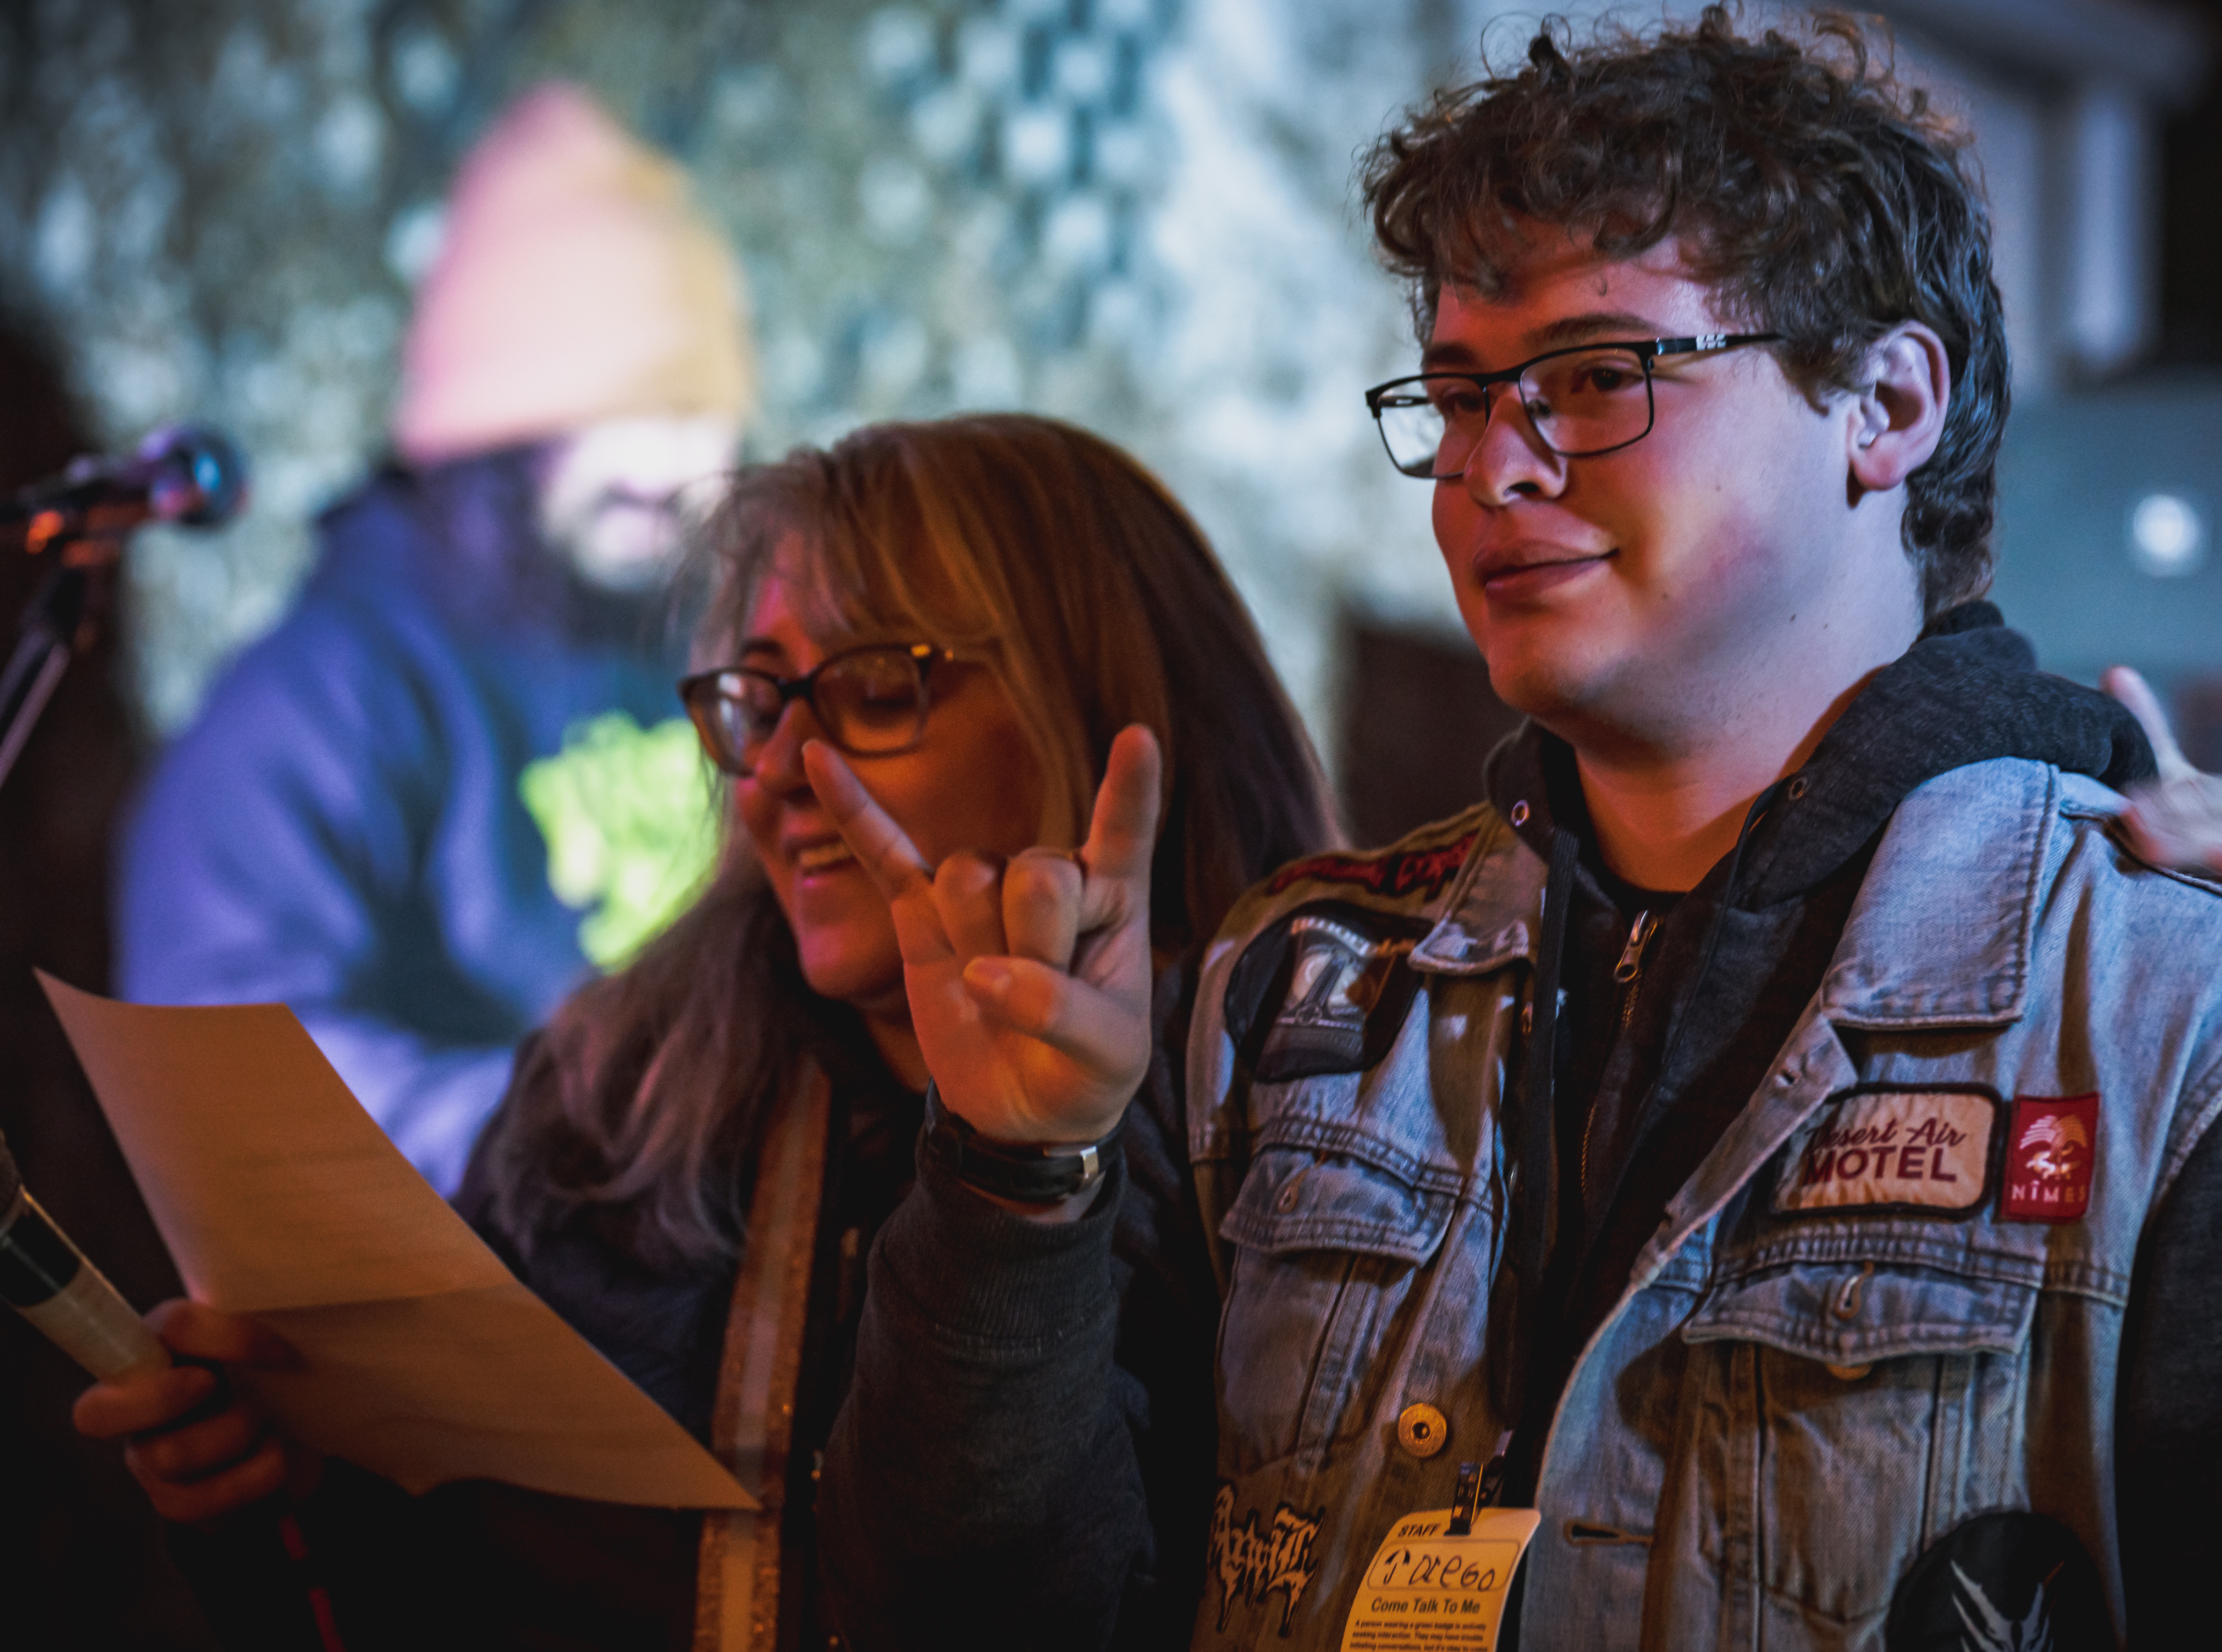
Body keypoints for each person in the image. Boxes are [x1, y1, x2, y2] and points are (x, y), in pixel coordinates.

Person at [813, 11, 2222, 1651]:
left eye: (1599, 375)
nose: (1494, 467)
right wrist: (1014, 1183)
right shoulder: (1290, 991)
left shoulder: (2216, 1037)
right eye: (1462, 397)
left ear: (1887, 407)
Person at [73, 418, 1332, 1650]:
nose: (779, 768)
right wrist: (286, 1505)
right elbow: (455, 1596)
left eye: (877, 688)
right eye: (756, 698)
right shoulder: (614, 1099)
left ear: (1110, 714)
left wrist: (1015, 1187)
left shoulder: (1307, 1123)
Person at [117, 84, 749, 1190]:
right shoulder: (325, 699)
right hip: (499, 1298)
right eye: (617, 407)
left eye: (699, 409)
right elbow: (225, 1071)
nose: (669, 464)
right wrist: (584, 1135)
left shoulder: (736, 631)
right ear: (495, 432)